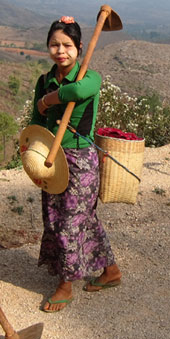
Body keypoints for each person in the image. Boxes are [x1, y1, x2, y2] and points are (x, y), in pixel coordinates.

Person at [29, 16, 121, 313]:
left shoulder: (90, 78)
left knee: (70, 222)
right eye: (55, 45)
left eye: (67, 45)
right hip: (51, 159)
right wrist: (32, 158)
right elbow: (35, 122)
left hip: (80, 161)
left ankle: (66, 285)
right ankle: (111, 270)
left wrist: (49, 100)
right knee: (69, 218)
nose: (61, 51)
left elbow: (78, 93)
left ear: (80, 47)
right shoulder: (44, 81)